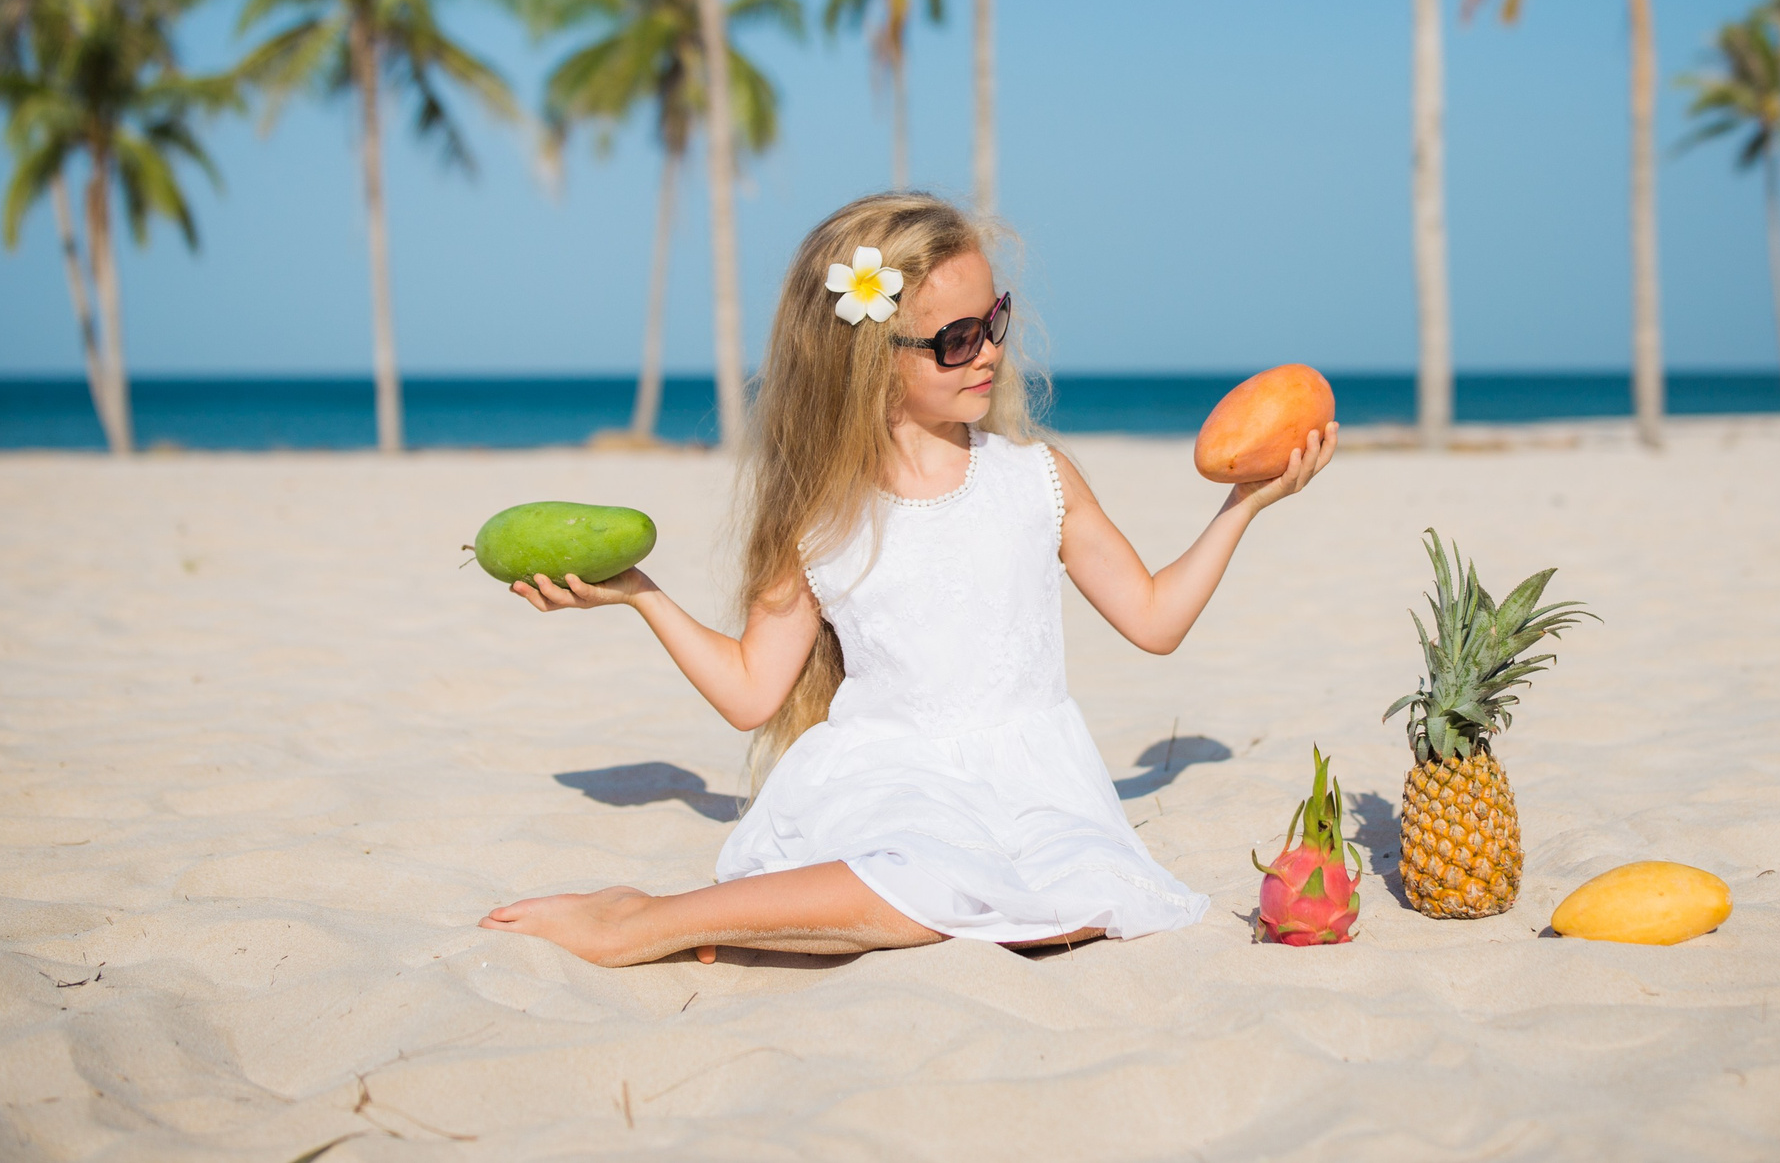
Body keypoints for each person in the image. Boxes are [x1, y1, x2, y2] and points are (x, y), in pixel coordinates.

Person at [483, 192, 1336, 965]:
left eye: (995, 321)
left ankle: (747, 917)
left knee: (1078, 909)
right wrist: (640, 593)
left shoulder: (1036, 479)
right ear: (871, 356)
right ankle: (646, 918)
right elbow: (751, 692)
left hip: (1035, 781)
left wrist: (1242, 505)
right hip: (892, 782)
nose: (988, 352)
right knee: (931, 881)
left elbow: (1154, 619)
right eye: (957, 339)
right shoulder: (823, 520)